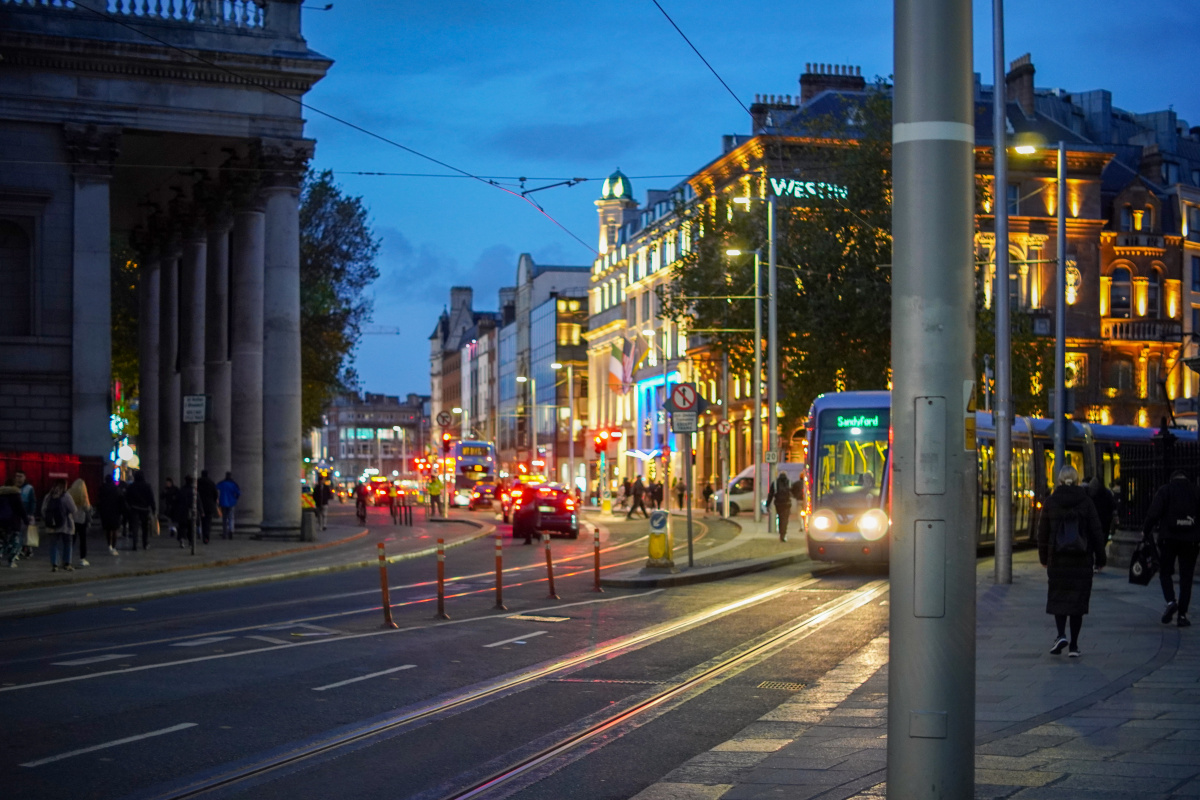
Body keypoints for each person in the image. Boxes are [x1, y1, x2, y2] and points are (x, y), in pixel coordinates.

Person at [1037, 465, 1106, 657]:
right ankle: (1074, 646)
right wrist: (1101, 558)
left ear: (1059, 481)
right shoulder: (1086, 502)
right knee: (1077, 602)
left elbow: (1042, 533)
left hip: (1058, 560)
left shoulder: (1050, 502)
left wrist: (1044, 558)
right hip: (1081, 561)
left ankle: (1060, 635)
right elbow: (1096, 532)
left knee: (1059, 597)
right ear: (1077, 481)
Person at [1142, 470, 1200, 628]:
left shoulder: (1165, 490)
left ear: (1172, 478)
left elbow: (1153, 514)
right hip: (1191, 540)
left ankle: (1170, 601)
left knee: (1165, 572)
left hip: (1169, 537)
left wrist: (1146, 530)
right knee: (1186, 578)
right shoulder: (1195, 491)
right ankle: (1182, 615)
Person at [43, 479, 78, 572]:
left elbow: (43, 510)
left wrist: (50, 519)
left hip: (52, 526)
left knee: (53, 544)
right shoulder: (66, 496)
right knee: (68, 543)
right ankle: (67, 564)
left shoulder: (49, 496)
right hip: (66, 525)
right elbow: (73, 509)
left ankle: (54, 564)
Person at [1, 475, 31, 567]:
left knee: (2, 540)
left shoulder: (1, 493)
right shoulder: (15, 493)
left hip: (1, 521)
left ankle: (1, 552)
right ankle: (11, 561)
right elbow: (20, 508)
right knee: (16, 542)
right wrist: (26, 520)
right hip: (13, 521)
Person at [124, 470, 157, 550]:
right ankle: (145, 543)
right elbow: (151, 498)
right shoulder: (147, 486)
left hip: (134, 508)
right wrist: (153, 509)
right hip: (144, 509)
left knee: (135, 527)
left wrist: (129, 506)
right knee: (144, 527)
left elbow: (127, 497)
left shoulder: (131, 486)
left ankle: (135, 544)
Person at [97, 471, 124, 556]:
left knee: (108, 530)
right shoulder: (116, 489)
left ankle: (109, 544)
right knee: (115, 529)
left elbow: (100, 500)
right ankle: (114, 546)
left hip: (105, 511)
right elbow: (121, 500)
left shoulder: (102, 488)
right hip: (115, 511)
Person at [67, 477, 92, 567]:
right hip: (82, 520)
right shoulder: (83, 495)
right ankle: (82, 558)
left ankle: (67, 558)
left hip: (72, 520)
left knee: (71, 540)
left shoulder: (69, 493)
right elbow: (87, 508)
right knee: (82, 540)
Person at [1088, 476, 1117, 544]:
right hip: (1106, 519)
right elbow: (1112, 505)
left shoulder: (1092, 494)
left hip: (1096, 519)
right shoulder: (1107, 493)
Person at [14, 470, 36, 560]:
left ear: (24, 477)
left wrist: (31, 513)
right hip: (17, 514)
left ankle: (28, 550)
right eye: (17, 476)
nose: (18, 478)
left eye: (20, 476)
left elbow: (32, 501)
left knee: (29, 533)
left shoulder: (29, 488)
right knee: (18, 534)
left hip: (26, 513)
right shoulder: (13, 488)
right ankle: (19, 550)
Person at [767, 471, 793, 542]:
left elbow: (770, 495)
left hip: (778, 503)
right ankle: (783, 533)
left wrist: (768, 504)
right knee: (785, 519)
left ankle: (781, 533)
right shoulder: (789, 482)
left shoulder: (775, 483)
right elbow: (793, 492)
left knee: (780, 518)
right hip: (787, 503)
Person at [216, 471, 240, 539]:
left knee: (224, 518)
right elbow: (238, 493)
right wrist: (235, 499)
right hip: (231, 503)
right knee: (231, 518)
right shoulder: (234, 484)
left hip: (223, 502)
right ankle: (231, 530)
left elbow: (216, 487)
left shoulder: (222, 483)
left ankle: (224, 532)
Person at [197, 470, 218, 545]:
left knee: (201, 521)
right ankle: (206, 536)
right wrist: (215, 501)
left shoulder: (198, 482)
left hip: (200, 504)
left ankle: (200, 533)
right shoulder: (211, 483)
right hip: (209, 505)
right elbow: (215, 493)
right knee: (208, 522)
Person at [176, 476, 197, 548]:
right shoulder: (193, 490)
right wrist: (201, 510)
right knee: (190, 526)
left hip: (182, 511)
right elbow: (197, 501)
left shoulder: (182, 490)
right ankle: (190, 541)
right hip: (190, 511)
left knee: (182, 526)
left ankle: (182, 539)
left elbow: (177, 500)